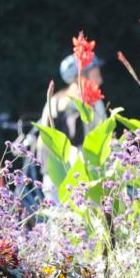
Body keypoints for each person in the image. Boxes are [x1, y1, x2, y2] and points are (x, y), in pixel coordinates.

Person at [30, 53, 107, 203]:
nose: (100, 78)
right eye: (96, 72)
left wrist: (47, 171)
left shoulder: (53, 101)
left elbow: (43, 142)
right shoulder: (93, 102)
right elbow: (103, 140)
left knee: (58, 223)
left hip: (54, 177)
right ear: (82, 74)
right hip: (87, 178)